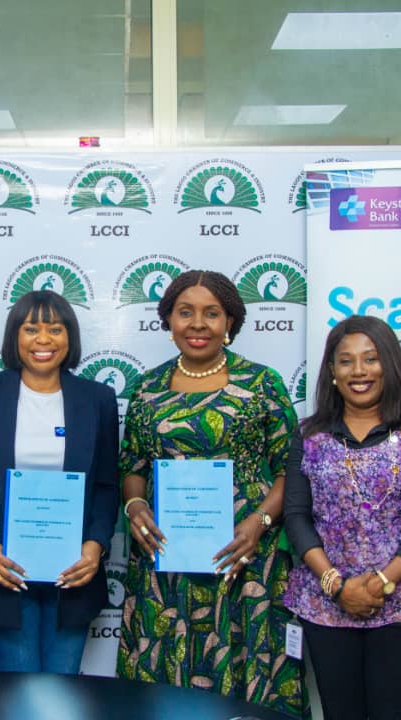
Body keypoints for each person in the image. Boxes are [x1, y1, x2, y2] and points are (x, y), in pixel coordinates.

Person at [116, 269, 306, 716]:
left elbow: (290, 469)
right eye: (185, 312)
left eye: (212, 313)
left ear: (230, 322)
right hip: (166, 563)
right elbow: (132, 465)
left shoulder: (262, 383)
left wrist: (259, 523)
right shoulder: (146, 388)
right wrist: (135, 503)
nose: (198, 324)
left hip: (245, 558)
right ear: (168, 319)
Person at [282, 315, 401, 720]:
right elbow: (296, 516)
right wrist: (336, 585)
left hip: (400, 606)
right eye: (346, 361)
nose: (359, 371)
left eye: (371, 359)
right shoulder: (309, 435)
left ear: (389, 365)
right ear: (332, 370)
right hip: (326, 606)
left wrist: (381, 582)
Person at [0, 290, 118, 673]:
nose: (43, 340)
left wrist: (94, 546)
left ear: (70, 337)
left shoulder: (97, 399)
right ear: (15, 336)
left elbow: (106, 485)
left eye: (55, 329)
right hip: (3, 573)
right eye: (31, 329)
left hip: (73, 576)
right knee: (17, 690)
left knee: (61, 691)